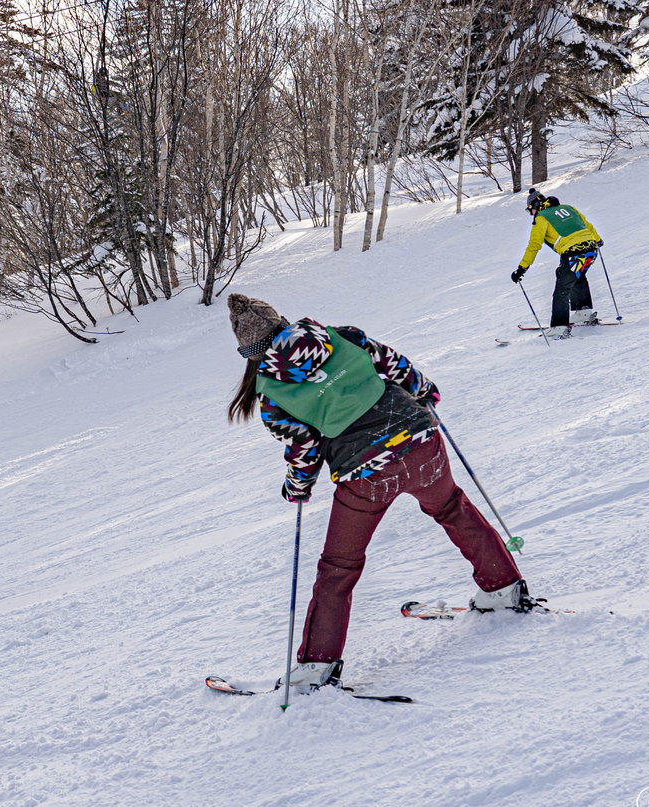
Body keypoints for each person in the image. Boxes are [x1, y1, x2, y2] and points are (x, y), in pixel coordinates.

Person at [225, 293, 537, 692]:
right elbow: (395, 365)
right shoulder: (339, 336)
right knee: (452, 507)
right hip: (421, 439)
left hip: (366, 471)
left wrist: (297, 487)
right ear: (282, 323)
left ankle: (317, 667)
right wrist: (426, 393)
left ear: (251, 352)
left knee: (339, 565)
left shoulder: (271, 392)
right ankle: (503, 587)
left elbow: (304, 449)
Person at [510, 188, 604, 335]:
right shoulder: (568, 208)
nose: (531, 214)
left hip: (574, 252)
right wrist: (597, 240)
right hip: (591, 249)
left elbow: (534, 245)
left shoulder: (541, 218)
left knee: (562, 289)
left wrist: (522, 268)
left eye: (530, 210)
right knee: (575, 275)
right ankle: (583, 312)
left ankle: (559, 326)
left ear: (535, 206)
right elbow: (587, 224)